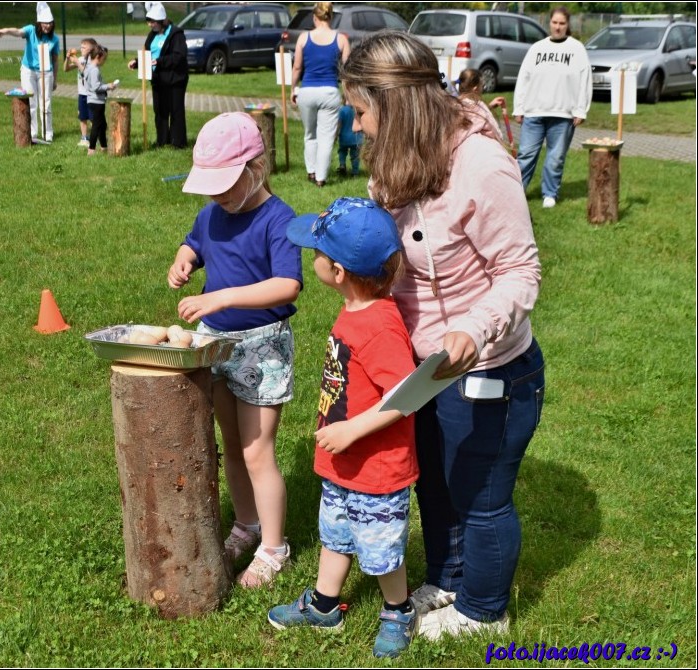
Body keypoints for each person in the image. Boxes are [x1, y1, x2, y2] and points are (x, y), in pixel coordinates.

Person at [341, 31, 545, 641]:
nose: (356, 127)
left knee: (480, 495)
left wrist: (472, 330)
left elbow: (520, 270)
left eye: (361, 111)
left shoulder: (481, 166)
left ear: (396, 107)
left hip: (490, 369)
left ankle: (485, 610)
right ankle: (449, 579)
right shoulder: (394, 160)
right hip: (425, 369)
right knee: (433, 479)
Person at [268, 197, 418, 659]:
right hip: (342, 465)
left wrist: (352, 431)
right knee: (335, 533)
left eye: (316, 251)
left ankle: (399, 609)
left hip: (376, 469)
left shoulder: (380, 326)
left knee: (379, 549)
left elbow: (407, 395)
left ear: (338, 272)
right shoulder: (358, 309)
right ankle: (324, 605)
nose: (310, 257)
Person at [167, 112, 303, 588]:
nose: (217, 195)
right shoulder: (211, 215)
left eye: (225, 184)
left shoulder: (277, 218)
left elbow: (287, 285)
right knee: (231, 444)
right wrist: (184, 262)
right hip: (217, 344)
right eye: (211, 185)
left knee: (257, 450)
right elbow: (194, 245)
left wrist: (220, 296)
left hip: (262, 348)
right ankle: (247, 524)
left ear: (256, 168)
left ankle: (274, 547)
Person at [512, 6, 592, 208]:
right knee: (526, 155)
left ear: (568, 25)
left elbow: (585, 81)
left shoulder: (577, 49)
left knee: (555, 158)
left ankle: (550, 194)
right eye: (554, 23)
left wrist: (580, 109)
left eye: (562, 23)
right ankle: (516, 193)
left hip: (563, 114)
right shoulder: (537, 48)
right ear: (549, 23)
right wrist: (519, 108)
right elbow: (524, 78)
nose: (558, 27)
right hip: (534, 112)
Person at [290, 2, 351, 187]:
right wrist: (348, 95)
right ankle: (321, 178)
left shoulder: (303, 38)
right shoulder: (341, 40)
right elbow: (346, 72)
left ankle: (311, 171)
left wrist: (292, 89)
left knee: (310, 134)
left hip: (307, 91)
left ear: (315, 18)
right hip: (330, 92)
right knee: (326, 137)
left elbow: (297, 67)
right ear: (330, 17)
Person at [0, 2, 61, 143]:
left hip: (46, 72)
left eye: (50, 23)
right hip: (28, 70)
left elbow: (55, 61)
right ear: (39, 23)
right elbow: (18, 32)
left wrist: (55, 80)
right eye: (45, 23)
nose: (47, 26)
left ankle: (47, 133)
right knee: (31, 101)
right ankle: (33, 132)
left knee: (46, 103)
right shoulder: (31, 31)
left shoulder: (55, 39)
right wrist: (6, 31)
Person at [128, 3, 189, 148]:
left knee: (176, 111)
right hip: (158, 79)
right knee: (160, 111)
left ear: (162, 21)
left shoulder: (176, 34)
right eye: (149, 22)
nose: (150, 25)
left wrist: (160, 61)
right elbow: (148, 54)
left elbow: (179, 56)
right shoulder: (152, 35)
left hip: (175, 79)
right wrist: (137, 62)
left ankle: (178, 142)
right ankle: (162, 141)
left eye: (153, 22)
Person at [455, 68, 506, 145]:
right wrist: (502, 143)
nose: (483, 88)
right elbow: (494, 131)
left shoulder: (454, 105)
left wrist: (489, 106)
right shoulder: (479, 107)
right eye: (482, 85)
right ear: (475, 89)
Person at [83, 46, 118, 155]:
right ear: (98, 57)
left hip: (94, 101)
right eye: (104, 59)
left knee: (102, 125)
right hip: (97, 102)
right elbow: (95, 87)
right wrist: (109, 86)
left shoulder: (89, 68)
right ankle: (91, 150)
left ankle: (104, 147)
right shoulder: (94, 70)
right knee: (97, 126)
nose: (105, 61)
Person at [65, 38, 98, 147]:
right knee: (82, 117)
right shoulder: (80, 59)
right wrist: (67, 59)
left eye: (84, 47)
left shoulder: (93, 60)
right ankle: (84, 137)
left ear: (91, 49)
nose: (81, 49)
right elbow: (66, 69)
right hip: (82, 93)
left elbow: (86, 73)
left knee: (92, 117)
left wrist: (77, 62)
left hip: (91, 94)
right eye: (81, 47)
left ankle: (95, 137)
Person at [336, 101, 363, 177]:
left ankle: (342, 164)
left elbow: (339, 124)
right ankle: (355, 172)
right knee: (355, 155)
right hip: (357, 137)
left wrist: (336, 134)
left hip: (344, 137)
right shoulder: (358, 110)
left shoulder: (342, 110)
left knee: (342, 151)